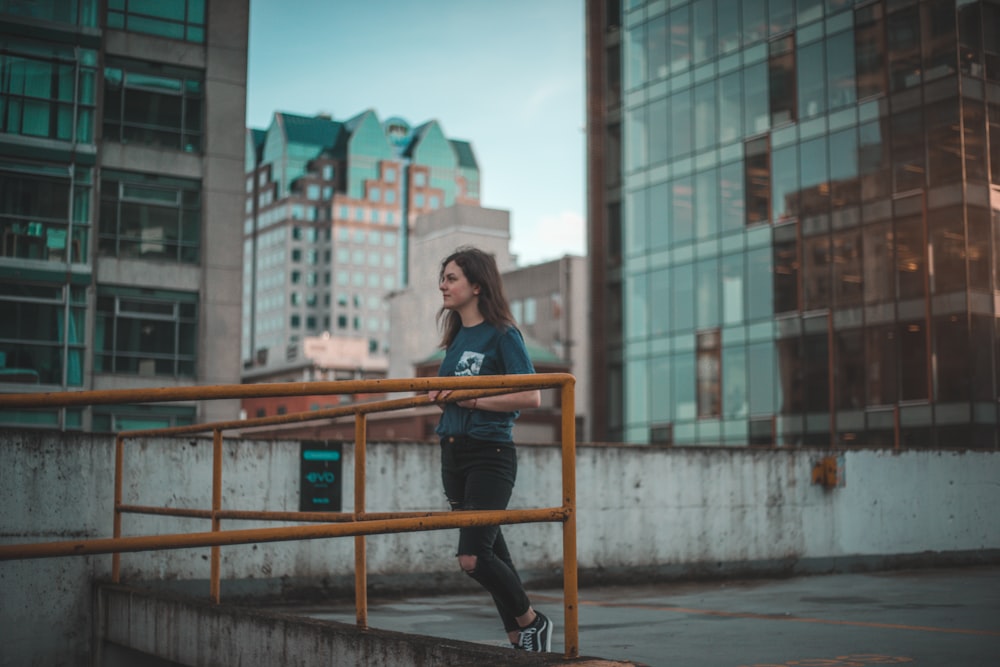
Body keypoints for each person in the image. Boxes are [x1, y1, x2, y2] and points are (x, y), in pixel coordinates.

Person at [427, 246, 554, 652]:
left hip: (489, 453)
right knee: (493, 549)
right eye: (443, 278)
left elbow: (531, 396)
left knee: (473, 558)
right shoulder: (456, 337)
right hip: (453, 452)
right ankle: (519, 637)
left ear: (477, 285)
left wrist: (472, 400)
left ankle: (534, 621)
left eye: (451, 278)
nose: (442, 285)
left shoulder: (503, 334)